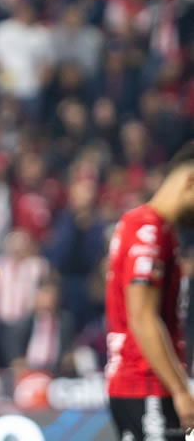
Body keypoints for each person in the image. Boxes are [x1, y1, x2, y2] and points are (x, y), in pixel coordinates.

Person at [106, 140, 194, 440]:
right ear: (190, 181)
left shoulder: (151, 229)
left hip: (145, 385)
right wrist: (182, 390)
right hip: (146, 385)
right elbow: (142, 318)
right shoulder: (148, 230)